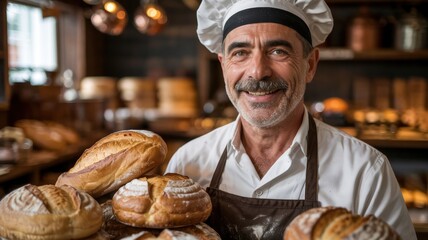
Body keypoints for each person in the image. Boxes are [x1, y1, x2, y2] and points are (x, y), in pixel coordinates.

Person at [165, 0, 417, 239]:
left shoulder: (365, 172)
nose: (258, 71)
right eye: (240, 52)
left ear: (310, 65)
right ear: (223, 66)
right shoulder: (188, 164)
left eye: (277, 51)